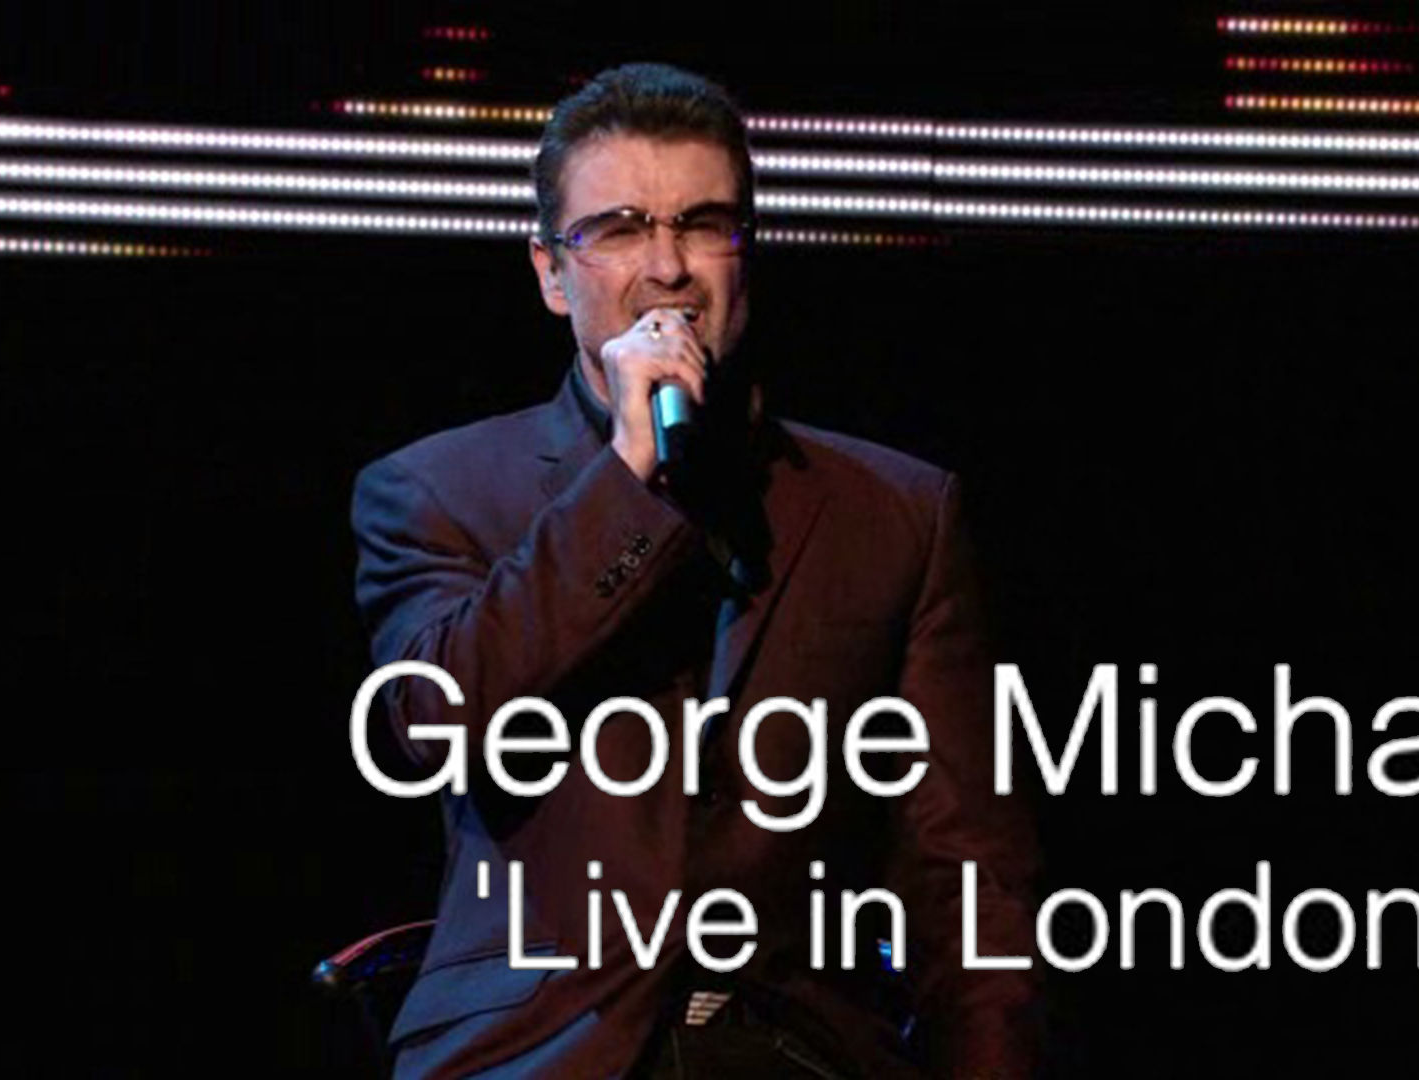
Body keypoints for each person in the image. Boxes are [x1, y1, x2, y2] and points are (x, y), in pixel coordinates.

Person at [351, 62, 1039, 1079]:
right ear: (551, 272)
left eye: (703, 225)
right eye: (619, 230)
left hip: (796, 1051)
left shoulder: (895, 512)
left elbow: (964, 874)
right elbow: (436, 722)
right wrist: (627, 482)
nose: (667, 267)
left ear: (747, 255)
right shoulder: (439, 489)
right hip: (538, 1052)